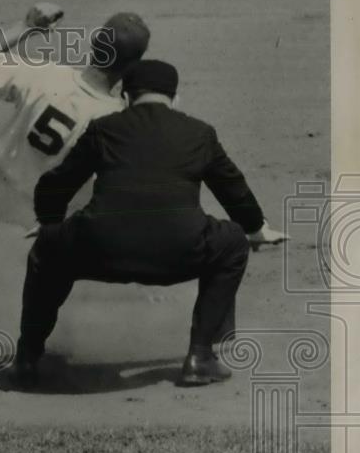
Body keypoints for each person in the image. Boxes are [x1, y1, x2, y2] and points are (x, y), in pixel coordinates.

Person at [19, 59, 287, 387]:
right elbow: (233, 189)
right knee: (232, 241)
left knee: (47, 250)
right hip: (178, 254)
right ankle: (201, 357)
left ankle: (28, 357)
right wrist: (256, 229)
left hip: (101, 252)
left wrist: (49, 224)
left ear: (125, 98)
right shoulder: (200, 133)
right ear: (176, 99)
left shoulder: (104, 128)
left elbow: (56, 183)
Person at [0, 3, 151, 286]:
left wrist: (27, 27)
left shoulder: (46, 75)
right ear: (133, 66)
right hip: (46, 219)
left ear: (93, 42)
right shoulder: (121, 121)